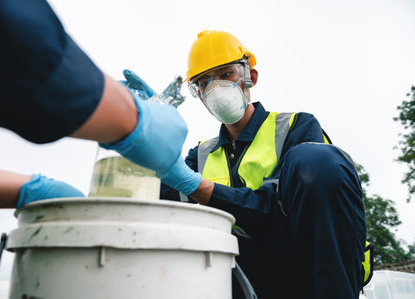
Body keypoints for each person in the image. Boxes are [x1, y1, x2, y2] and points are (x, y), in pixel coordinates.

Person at [125, 30, 367, 299]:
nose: (215, 88)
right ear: (198, 94)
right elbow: (151, 203)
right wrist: (146, 132)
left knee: (319, 161)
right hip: (234, 283)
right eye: (204, 82)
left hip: (302, 278)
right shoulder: (200, 156)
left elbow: (273, 211)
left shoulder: (295, 129)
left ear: (250, 76)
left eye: (225, 74)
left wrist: (198, 186)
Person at [0, 1, 199, 211]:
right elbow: (1, 26)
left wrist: (21, 189)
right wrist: (130, 118)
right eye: (202, 83)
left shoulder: (198, 155)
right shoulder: (200, 155)